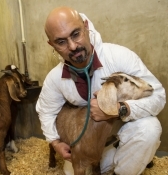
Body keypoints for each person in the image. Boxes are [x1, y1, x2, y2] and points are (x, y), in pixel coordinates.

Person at [36, 6, 166, 175]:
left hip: (119, 136)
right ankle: (111, 162)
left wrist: (118, 110)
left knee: (150, 128)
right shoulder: (55, 78)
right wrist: (55, 143)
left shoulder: (119, 56)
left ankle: (123, 167)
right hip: (88, 143)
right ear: (51, 44)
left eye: (76, 34)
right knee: (74, 171)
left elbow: (158, 96)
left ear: (85, 26)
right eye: (61, 42)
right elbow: (46, 112)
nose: (73, 46)